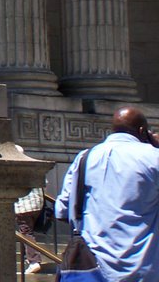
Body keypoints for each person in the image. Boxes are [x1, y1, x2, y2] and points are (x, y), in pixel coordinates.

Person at [56, 106, 159, 280]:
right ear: (142, 131)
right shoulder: (154, 157)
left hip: (92, 269)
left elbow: (62, 210)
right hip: (142, 270)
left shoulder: (84, 158)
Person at [14, 186, 45, 275]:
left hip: (23, 206)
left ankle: (34, 261)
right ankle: (28, 258)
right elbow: (44, 183)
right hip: (37, 202)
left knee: (26, 232)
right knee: (28, 231)